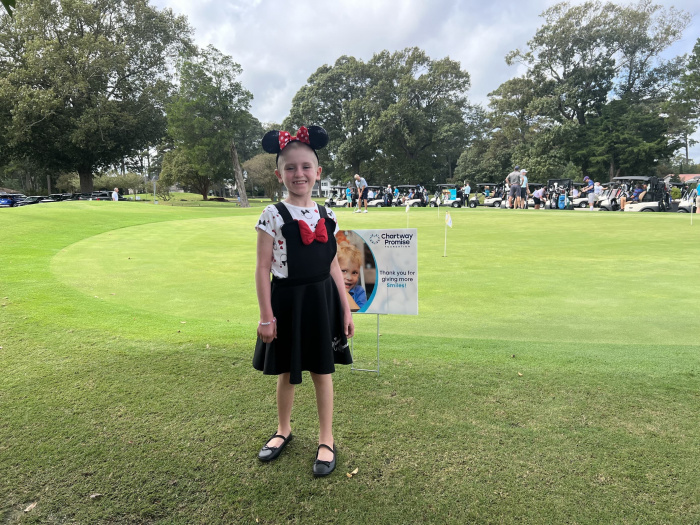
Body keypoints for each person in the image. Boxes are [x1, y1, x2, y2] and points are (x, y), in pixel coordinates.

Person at [255, 125, 354, 477]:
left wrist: (345, 308)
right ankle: (284, 429)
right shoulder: (272, 214)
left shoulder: (328, 215)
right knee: (287, 372)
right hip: (287, 303)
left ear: (318, 172)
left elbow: (333, 266)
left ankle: (326, 438)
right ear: (279, 173)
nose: (299, 174)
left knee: (322, 372)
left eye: (306, 166)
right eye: (291, 167)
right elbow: (262, 268)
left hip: (322, 301)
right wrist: (266, 317)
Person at [337, 241, 367, 308]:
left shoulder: (359, 292)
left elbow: (360, 316)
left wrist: (344, 293)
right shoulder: (329, 290)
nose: (349, 278)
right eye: (344, 271)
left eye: (354, 272)